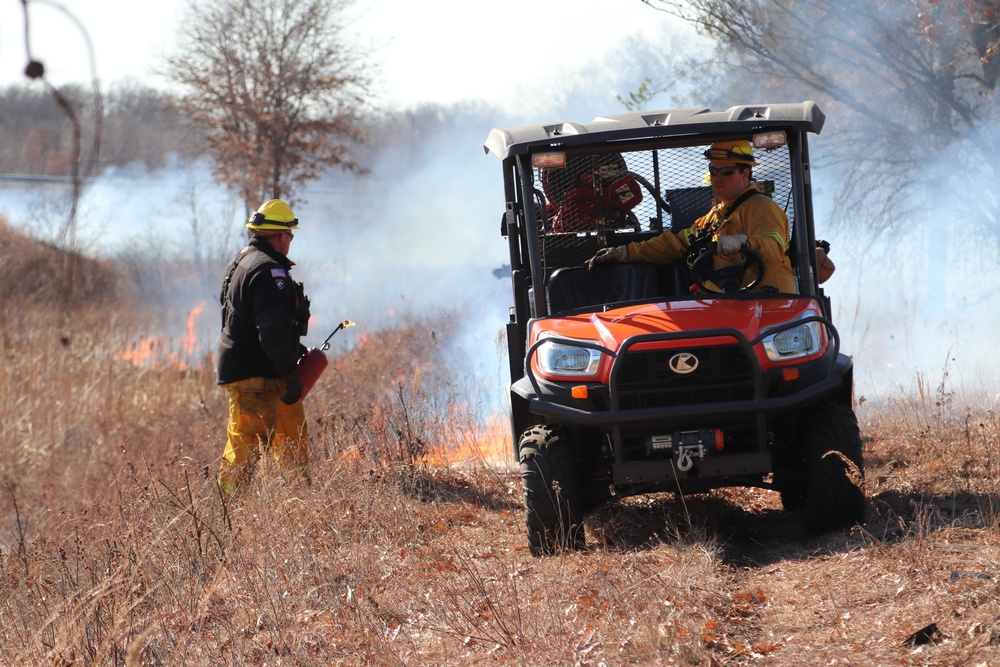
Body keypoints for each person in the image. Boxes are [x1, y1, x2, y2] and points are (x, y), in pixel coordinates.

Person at [587, 140, 818, 292]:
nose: (717, 178)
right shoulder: (714, 218)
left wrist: (743, 242)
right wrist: (625, 253)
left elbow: (773, 246)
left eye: (726, 172)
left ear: (745, 173)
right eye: (713, 171)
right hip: (727, 305)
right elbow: (676, 242)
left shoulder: (761, 207)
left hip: (768, 306)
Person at [216, 199, 311, 496]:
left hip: (268, 372)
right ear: (282, 236)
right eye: (291, 235)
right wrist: (289, 371)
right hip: (256, 374)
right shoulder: (270, 272)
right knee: (246, 444)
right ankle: (229, 510)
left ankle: (299, 497)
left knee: (292, 433)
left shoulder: (241, 262)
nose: (291, 241)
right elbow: (272, 328)